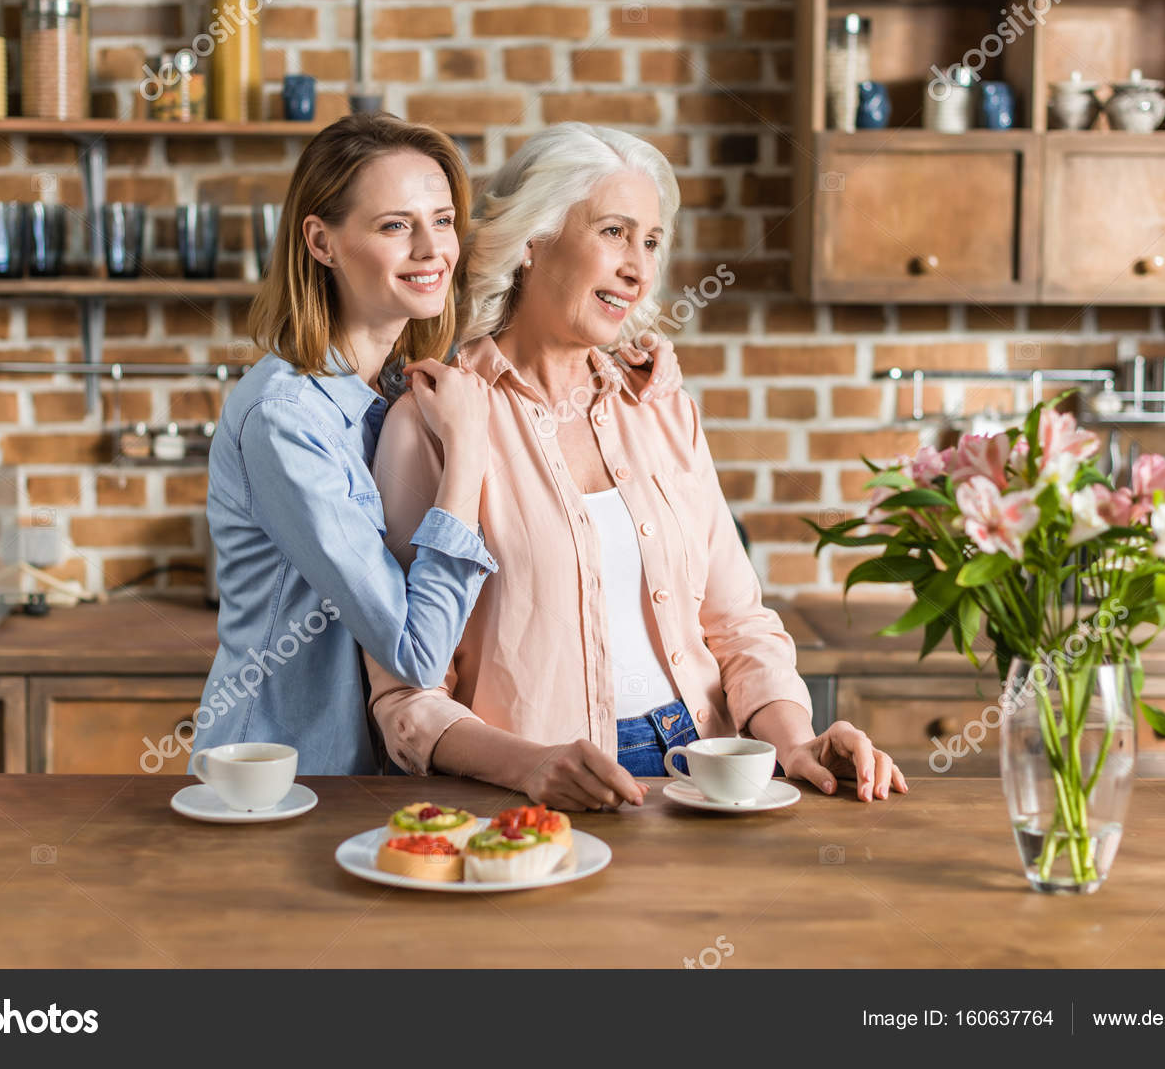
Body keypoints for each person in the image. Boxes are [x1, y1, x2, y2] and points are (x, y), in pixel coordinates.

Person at [365, 122, 908, 808]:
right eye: (614, 233)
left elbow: (737, 624)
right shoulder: (438, 421)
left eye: (651, 242)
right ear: (532, 241)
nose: (640, 268)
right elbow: (404, 696)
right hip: (531, 791)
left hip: (704, 769)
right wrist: (529, 765)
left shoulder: (660, 407)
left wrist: (795, 739)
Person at [191, 114, 679, 775]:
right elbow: (416, 653)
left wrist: (637, 359)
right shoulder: (286, 420)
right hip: (286, 771)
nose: (432, 250)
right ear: (321, 241)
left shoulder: (401, 383)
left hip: (377, 779)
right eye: (395, 225)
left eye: (444, 221)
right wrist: (467, 460)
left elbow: (532, 342)